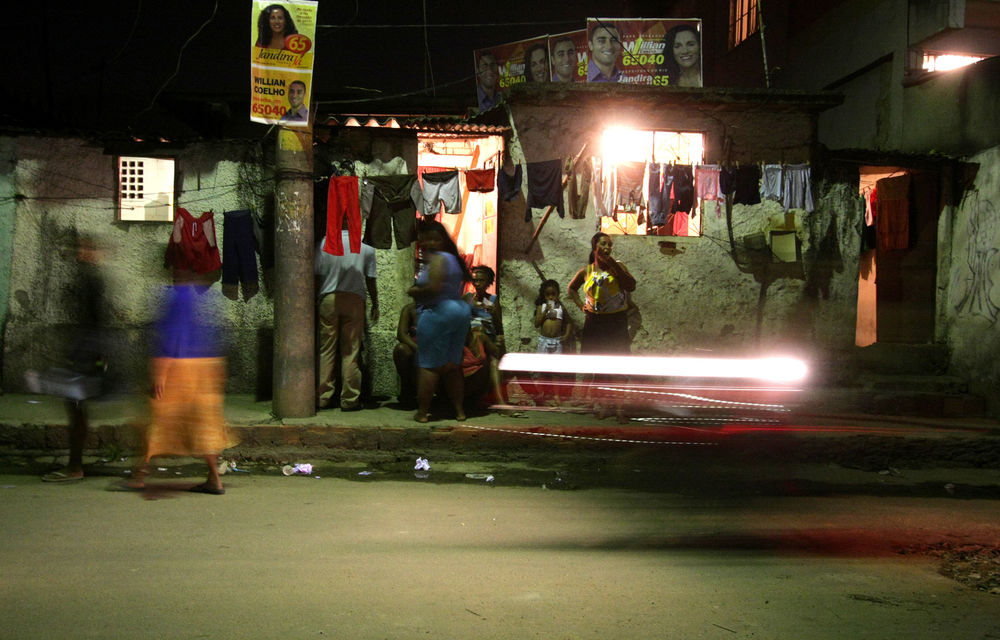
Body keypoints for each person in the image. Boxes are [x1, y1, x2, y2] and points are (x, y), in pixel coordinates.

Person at [126, 283, 236, 494]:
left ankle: (139, 475)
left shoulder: (177, 295)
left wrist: (161, 369)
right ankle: (214, 478)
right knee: (204, 425)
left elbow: (174, 333)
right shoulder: (207, 294)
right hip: (207, 365)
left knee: (157, 420)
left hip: (181, 367)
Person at [37, 234, 108, 482]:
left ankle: (75, 466)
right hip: (87, 352)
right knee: (77, 407)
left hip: (86, 354)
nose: (80, 254)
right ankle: (75, 464)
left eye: (85, 249)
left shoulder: (91, 280)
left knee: (76, 407)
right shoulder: (90, 278)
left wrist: (91, 358)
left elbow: (94, 320)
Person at [407, 220, 472, 423]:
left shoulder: (437, 259)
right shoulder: (453, 259)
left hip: (438, 314)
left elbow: (433, 288)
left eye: (434, 239)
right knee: (453, 367)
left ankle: (423, 412)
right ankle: (459, 411)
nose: (430, 243)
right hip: (459, 312)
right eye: (428, 238)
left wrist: (413, 290)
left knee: (429, 367)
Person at [315, 224, 379, 411]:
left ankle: (323, 397)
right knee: (351, 352)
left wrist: (315, 299)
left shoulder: (324, 243)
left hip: (328, 299)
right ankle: (350, 399)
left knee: (326, 350)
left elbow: (317, 275)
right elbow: (371, 278)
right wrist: (375, 302)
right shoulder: (365, 246)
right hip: (354, 300)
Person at [567, 232, 636, 354]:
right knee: (594, 358)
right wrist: (580, 305)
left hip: (616, 321)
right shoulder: (586, 271)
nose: (607, 247)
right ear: (595, 247)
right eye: (603, 244)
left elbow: (631, 286)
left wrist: (614, 265)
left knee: (615, 359)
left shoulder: (618, 266)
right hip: (594, 322)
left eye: (610, 245)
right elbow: (571, 289)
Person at [463, 265, 506, 405]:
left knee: (494, 362)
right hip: (472, 339)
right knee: (478, 332)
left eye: (481, 281)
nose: (477, 284)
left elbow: (499, 329)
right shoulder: (467, 298)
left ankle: (501, 403)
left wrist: (494, 314)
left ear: (488, 283)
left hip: (489, 339)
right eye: (475, 280)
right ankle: (495, 351)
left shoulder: (492, 300)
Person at [393, 302, 419, 408]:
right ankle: (407, 391)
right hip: (417, 347)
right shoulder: (410, 309)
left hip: (436, 347)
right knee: (401, 350)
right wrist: (416, 348)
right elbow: (401, 334)